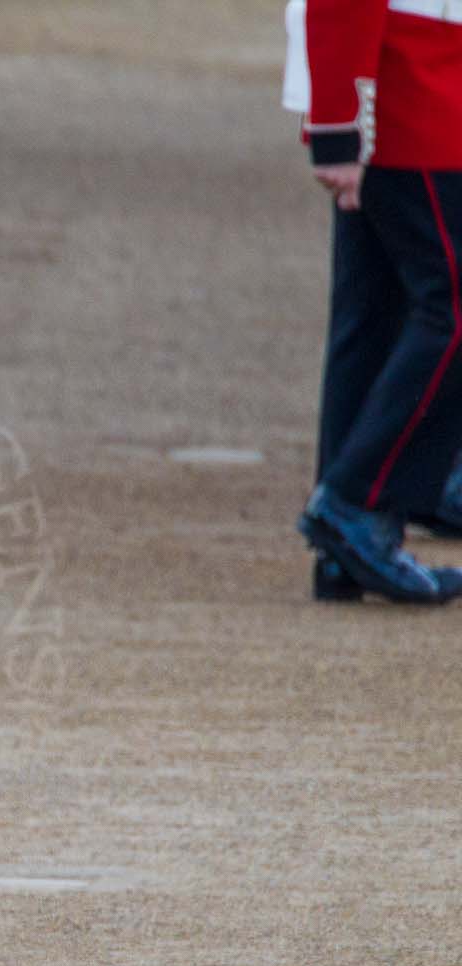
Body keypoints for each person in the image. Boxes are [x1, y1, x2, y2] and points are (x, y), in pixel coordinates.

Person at [297, 0, 462, 603]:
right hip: (411, 94)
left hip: (422, 82)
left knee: (373, 320)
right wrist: (341, 124)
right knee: (450, 312)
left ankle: (351, 548)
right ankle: (356, 506)